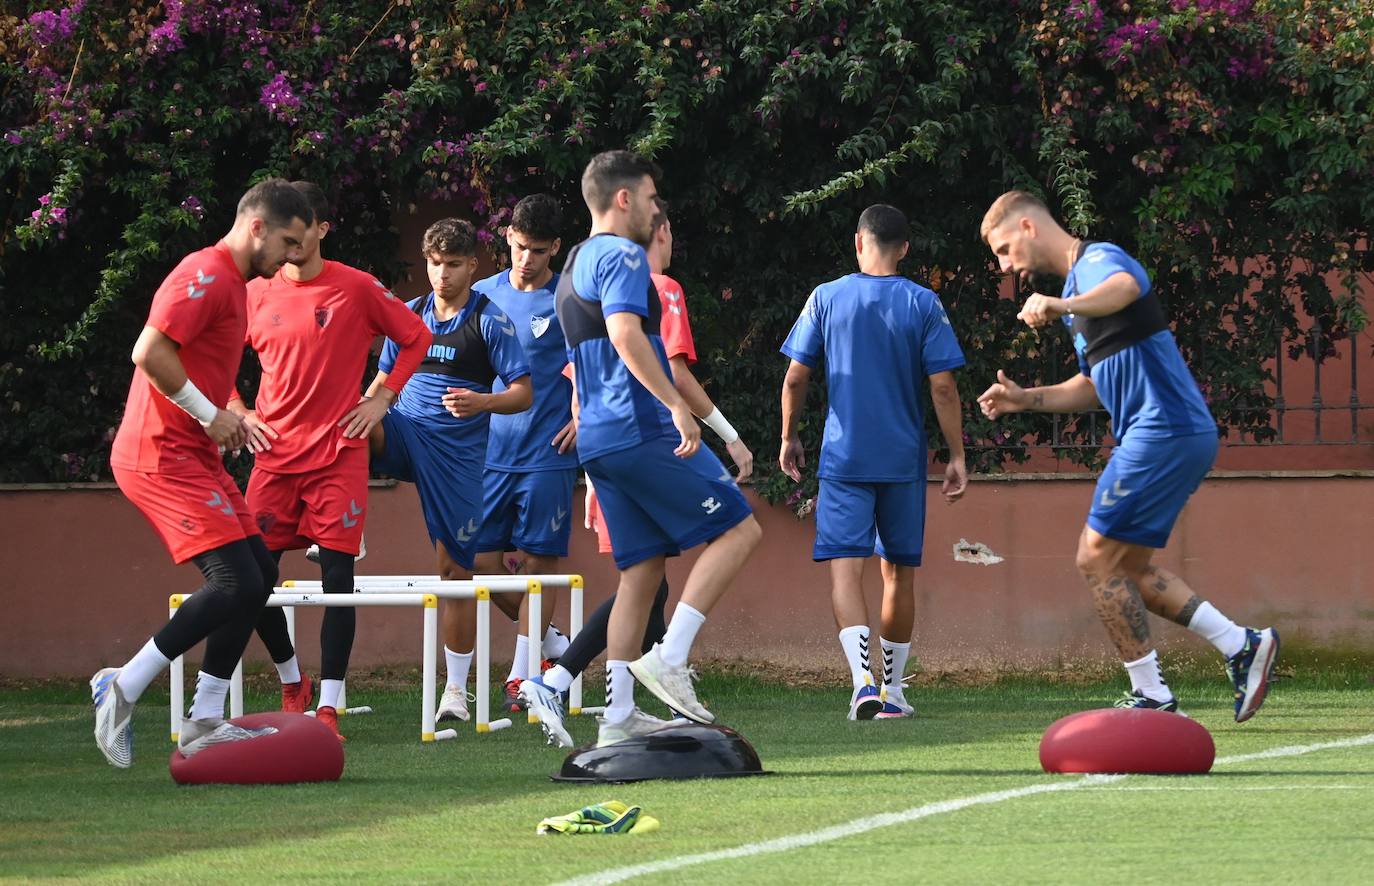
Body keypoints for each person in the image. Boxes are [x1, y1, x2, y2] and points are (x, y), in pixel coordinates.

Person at [975, 189, 1279, 718]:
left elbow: (1128, 285)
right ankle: (1241, 645)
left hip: (1161, 430)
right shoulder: (1078, 290)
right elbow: (1093, 387)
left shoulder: (1097, 261)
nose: (1005, 265)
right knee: (1128, 567)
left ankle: (1153, 696)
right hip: (1169, 433)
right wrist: (1026, 399)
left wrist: (1060, 305)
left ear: (1027, 227)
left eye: (1003, 248)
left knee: (1093, 557)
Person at [526, 150, 761, 749]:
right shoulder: (625, 255)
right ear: (624, 198)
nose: (659, 210)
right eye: (653, 198)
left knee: (641, 571)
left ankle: (618, 716)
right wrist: (677, 406)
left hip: (598, 442)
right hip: (640, 426)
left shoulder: (576, 260)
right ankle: (672, 656)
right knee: (740, 531)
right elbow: (626, 334)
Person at [94, 179, 312, 767]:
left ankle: (205, 719)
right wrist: (211, 414)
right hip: (159, 455)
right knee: (235, 581)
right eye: (288, 242)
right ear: (257, 225)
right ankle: (121, 687)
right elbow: (149, 351)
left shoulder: (236, 284)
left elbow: (197, 364)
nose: (292, 257)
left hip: (195, 454)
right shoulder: (209, 271)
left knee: (259, 573)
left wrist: (225, 418)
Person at [229, 181, 431, 739]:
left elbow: (416, 336)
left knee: (338, 577)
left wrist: (382, 399)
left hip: (339, 454)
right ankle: (293, 682)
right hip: (272, 457)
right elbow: (216, 363)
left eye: (305, 227)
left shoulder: (356, 287)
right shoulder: (255, 293)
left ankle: (329, 707)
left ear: (321, 229)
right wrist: (238, 411)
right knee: (252, 578)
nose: (293, 241)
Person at [777, 204, 968, 720]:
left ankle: (863, 683)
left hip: (844, 458)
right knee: (898, 574)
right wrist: (955, 454)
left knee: (846, 569)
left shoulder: (826, 297)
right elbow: (944, 387)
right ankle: (894, 693)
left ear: (858, 242)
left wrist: (788, 436)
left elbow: (796, 378)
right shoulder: (924, 303)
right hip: (903, 461)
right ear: (905, 249)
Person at [366, 217, 532, 725]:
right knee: (350, 426)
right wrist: (362, 408)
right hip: (405, 430)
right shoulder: (410, 315)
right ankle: (346, 533)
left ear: (472, 266)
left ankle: (456, 694)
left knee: (455, 571)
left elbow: (524, 392)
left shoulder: (490, 320)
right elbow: (381, 382)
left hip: (457, 455)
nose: (442, 274)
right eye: (435, 264)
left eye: (453, 264)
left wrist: (483, 400)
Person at [468, 194, 577, 714]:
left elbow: (600, 361)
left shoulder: (569, 299)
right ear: (506, 236)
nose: (526, 258)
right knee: (478, 561)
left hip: (548, 451)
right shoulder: (482, 295)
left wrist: (583, 416)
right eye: (519, 245)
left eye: (537, 250)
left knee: (539, 563)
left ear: (555, 247)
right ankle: (551, 644)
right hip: (487, 452)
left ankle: (523, 676)